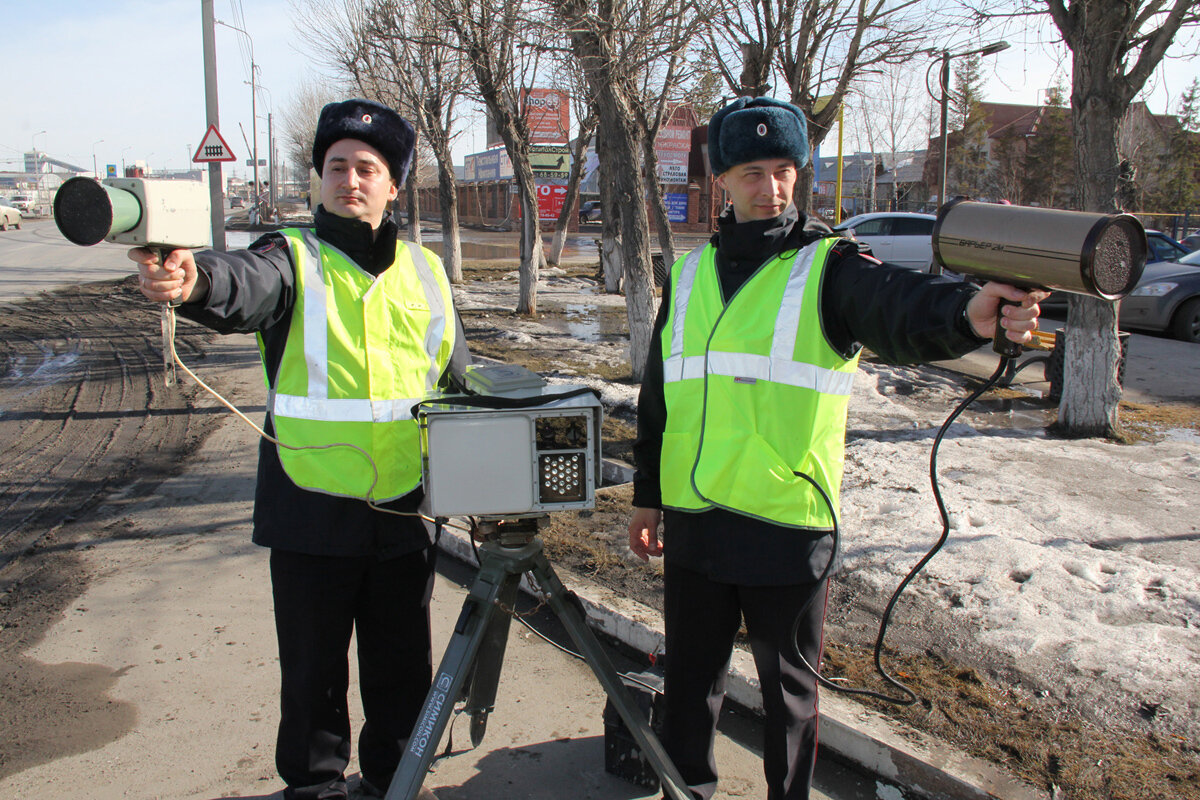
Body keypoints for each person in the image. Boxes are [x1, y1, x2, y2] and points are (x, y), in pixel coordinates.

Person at [626, 96, 1047, 800]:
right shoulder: (691, 275)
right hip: (695, 526)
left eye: (786, 170)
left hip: (785, 531)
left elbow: (900, 306)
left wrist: (970, 315)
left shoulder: (828, 267)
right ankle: (686, 790)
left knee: (789, 704)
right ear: (721, 180)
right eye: (753, 173)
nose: (773, 188)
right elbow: (658, 393)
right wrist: (646, 494)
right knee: (690, 686)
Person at [130, 99, 467, 800]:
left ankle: (396, 784)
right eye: (337, 165)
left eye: (367, 168)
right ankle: (313, 788)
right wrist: (191, 280)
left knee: (402, 671)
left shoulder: (427, 273)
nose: (350, 178)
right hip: (311, 509)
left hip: (405, 513)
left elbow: (455, 383)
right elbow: (239, 286)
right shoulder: (291, 258)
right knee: (313, 677)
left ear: (394, 184)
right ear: (319, 178)